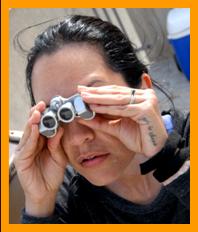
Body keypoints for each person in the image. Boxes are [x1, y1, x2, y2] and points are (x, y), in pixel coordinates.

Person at [13, 15, 190, 224]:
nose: (78, 137)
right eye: (56, 117)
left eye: (91, 104)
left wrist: (170, 159)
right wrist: (39, 203)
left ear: (142, 89)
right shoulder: (66, 198)